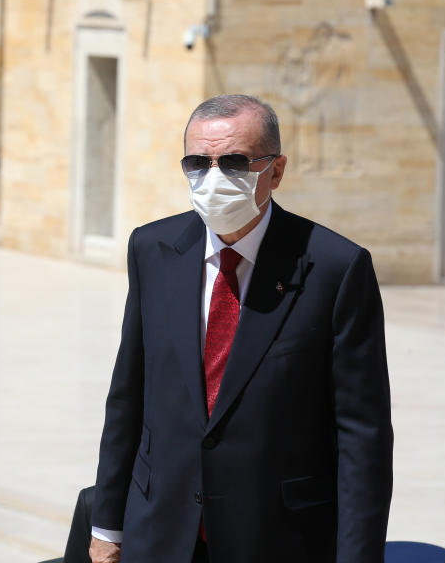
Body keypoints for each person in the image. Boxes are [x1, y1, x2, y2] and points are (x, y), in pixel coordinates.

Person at [90, 95, 392, 563]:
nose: (213, 178)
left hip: (278, 538)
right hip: (162, 532)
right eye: (197, 162)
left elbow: (362, 436)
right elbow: (128, 395)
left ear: (275, 171)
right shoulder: (152, 249)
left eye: (233, 162)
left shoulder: (336, 268)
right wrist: (107, 526)